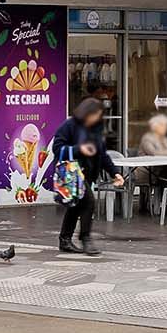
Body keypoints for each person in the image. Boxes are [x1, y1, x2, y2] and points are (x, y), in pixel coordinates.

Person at [50, 98, 118, 255]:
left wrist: (114, 173)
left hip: (88, 173)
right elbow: (57, 148)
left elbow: (102, 154)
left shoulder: (96, 129)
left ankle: (65, 240)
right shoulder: (70, 125)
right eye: (95, 114)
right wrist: (79, 149)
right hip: (72, 173)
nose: (96, 118)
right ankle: (85, 238)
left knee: (76, 205)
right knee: (88, 202)